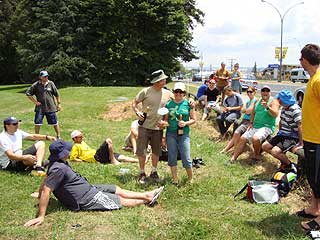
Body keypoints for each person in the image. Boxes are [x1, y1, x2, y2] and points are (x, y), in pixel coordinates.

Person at [24, 140, 164, 227]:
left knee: (116, 188)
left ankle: (145, 194)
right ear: (63, 153)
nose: (70, 150)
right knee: (118, 200)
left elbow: (45, 181)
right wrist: (41, 215)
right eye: (68, 149)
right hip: (83, 198)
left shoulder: (57, 162)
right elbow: (47, 189)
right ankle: (147, 199)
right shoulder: (58, 168)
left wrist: (39, 192)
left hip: (88, 187)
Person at [132, 69, 173, 184]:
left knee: (156, 151)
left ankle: (154, 172)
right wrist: (137, 112)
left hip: (158, 128)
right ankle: (141, 172)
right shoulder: (145, 91)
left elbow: (178, 101)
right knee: (142, 151)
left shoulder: (168, 93)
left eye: (164, 79)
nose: (165, 80)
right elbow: (134, 102)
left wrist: (190, 101)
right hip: (144, 126)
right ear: (157, 81)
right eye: (163, 79)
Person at [295, 44, 320, 231]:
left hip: (319, 139)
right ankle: (314, 209)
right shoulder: (313, 79)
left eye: (300, 58)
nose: (299, 61)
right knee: (313, 177)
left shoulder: (318, 80)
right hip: (312, 137)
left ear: (305, 59)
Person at [228, 86, 280, 164]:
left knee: (255, 138)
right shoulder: (257, 101)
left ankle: (256, 155)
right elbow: (253, 112)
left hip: (266, 126)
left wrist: (267, 107)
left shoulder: (273, 101)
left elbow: (276, 114)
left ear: (270, 92)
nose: (265, 92)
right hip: (255, 125)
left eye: (267, 91)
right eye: (263, 90)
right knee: (242, 138)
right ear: (261, 92)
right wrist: (251, 123)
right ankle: (233, 159)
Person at [163, 82, 196, 184]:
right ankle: (175, 178)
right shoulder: (168, 104)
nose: (178, 94)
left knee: (186, 156)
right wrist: (163, 124)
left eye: (180, 92)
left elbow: (194, 119)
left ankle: (190, 178)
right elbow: (165, 120)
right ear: (173, 92)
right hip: (171, 134)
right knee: (172, 155)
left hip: (184, 134)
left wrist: (185, 123)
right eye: (176, 91)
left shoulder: (189, 104)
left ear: (184, 93)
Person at [262, 90, 302, 170]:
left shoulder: (295, 110)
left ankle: (291, 166)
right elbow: (281, 121)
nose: (278, 100)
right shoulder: (284, 107)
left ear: (281, 100)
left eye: (279, 99)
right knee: (265, 146)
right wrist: (279, 132)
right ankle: (284, 162)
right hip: (283, 134)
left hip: (292, 136)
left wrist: (301, 143)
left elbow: (300, 126)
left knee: (275, 151)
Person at [26, 70, 61, 138]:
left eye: (47, 76)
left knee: (55, 123)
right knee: (37, 123)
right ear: (40, 77)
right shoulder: (36, 85)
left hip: (51, 107)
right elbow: (28, 93)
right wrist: (35, 102)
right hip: (40, 108)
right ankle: (37, 137)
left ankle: (58, 136)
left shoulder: (51, 83)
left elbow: (57, 94)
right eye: (44, 76)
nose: (46, 78)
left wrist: (59, 104)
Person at [221, 87, 257, 153]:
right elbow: (243, 110)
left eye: (251, 92)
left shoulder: (255, 100)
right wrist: (245, 110)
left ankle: (235, 149)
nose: (249, 93)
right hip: (244, 119)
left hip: (249, 121)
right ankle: (226, 149)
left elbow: (247, 111)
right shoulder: (249, 101)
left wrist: (245, 110)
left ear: (254, 92)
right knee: (235, 134)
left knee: (236, 132)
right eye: (247, 92)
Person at [69, 130, 138, 165]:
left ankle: (137, 161)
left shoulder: (82, 143)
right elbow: (72, 159)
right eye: (80, 137)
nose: (82, 138)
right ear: (74, 138)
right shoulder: (75, 146)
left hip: (99, 155)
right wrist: (84, 161)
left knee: (120, 157)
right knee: (108, 141)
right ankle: (112, 160)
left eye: (82, 136)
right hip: (96, 157)